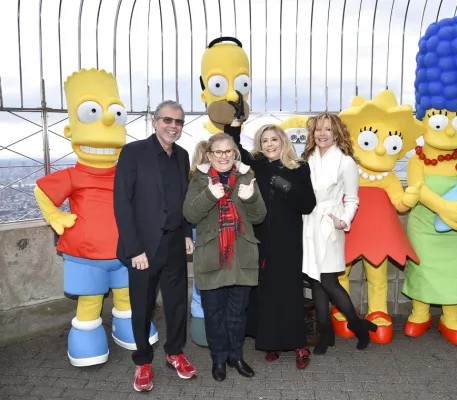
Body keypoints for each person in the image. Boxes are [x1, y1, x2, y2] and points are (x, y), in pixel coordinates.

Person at [114, 100, 197, 392]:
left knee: (177, 303)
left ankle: (175, 352)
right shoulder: (133, 152)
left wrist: (187, 231)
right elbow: (122, 203)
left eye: (178, 122)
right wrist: (134, 248)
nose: (173, 126)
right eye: (168, 120)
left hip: (175, 242)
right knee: (142, 306)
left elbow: (184, 198)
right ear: (154, 122)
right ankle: (143, 362)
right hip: (143, 249)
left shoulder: (183, 156)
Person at [227, 117, 316, 369]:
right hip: (261, 238)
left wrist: (286, 186)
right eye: (264, 140)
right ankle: (272, 342)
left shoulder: (299, 167)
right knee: (265, 292)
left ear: (282, 141)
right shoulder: (256, 165)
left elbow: (308, 204)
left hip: (288, 240)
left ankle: (299, 345)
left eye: (273, 139)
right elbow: (234, 149)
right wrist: (234, 123)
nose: (269, 144)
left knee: (289, 291)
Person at [183, 133, 266, 382]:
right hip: (212, 257)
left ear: (235, 154)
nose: (223, 156)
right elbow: (189, 214)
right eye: (217, 152)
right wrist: (209, 194)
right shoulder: (198, 178)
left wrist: (250, 198)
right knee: (214, 314)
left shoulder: (248, 176)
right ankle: (219, 359)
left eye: (228, 151)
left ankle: (236, 357)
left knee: (237, 314)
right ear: (209, 155)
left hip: (241, 257)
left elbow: (259, 216)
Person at [301, 112, 378, 354]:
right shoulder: (307, 159)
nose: (322, 134)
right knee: (315, 280)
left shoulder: (346, 162)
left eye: (328, 129)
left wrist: (343, 221)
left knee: (329, 281)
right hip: (308, 223)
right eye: (318, 129)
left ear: (337, 133)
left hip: (331, 225)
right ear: (312, 134)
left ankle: (358, 326)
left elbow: (353, 199)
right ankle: (326, 334)